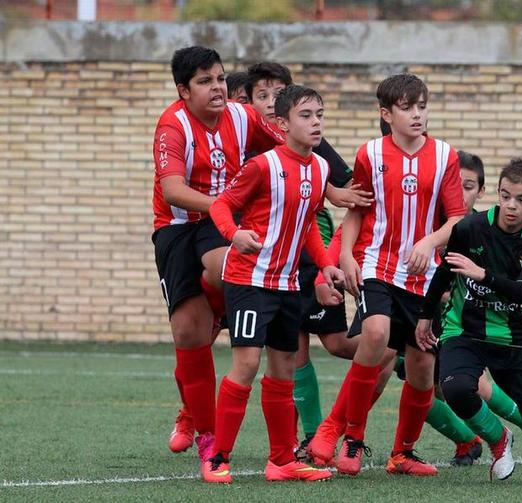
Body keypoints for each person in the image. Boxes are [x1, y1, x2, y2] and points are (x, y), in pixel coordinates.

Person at [309, 73, 467, 477]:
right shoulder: (370, 154)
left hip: (426, 276)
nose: (417, 115)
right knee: (376, 335)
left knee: (420, 367)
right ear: (386, 113)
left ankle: (403, 453)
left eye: (422, 106)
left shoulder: (445, 155)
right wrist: (345, 254)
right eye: (407, 107)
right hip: (378, 265)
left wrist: (430, 242)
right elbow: (357, 209)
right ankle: (347, 436)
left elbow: (458, 220)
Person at [203, 85, 343, 483]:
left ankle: (281, 460)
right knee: (247, 363)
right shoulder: (262, 166)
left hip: (288, 283)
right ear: (281, 124)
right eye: (306, 115)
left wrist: (325, 266)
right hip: (249, 281)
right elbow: (220, 205)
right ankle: (217, 458)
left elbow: (309, 228)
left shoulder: (320, 168)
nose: (315, 122)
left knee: (284, 368)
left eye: (320, 114)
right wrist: (234, 235)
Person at [151, 46, 285, 462]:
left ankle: (235, 317)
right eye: (205, 81)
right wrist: (224, 203)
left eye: (221, 79)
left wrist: (338, 184)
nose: (217, 88)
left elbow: (295, 144)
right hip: (176, 229)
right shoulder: (172, 126)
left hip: (217, 225)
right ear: (184, 90)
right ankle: (203, 430)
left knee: (229, 268)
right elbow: (173, 190)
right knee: (188, 333)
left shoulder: (242, 117)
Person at [416, 158, 522, 483]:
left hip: (515, 337)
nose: (511, 206)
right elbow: (444, 273)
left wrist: (481, 274)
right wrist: (425, 316)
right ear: (498, 193)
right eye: (506, 195)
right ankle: (499, 441)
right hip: (465, 331)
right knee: (454, 388)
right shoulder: (469, 229)